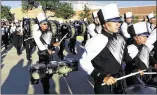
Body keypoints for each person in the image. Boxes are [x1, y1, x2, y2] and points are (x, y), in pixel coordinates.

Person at [79, 3, 144, 94]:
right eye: (114, 21)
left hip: (119, 81)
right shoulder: (97, 40)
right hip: (104, 85)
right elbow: (84, 61)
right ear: (104, 24)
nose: (118, 24)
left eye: (119, 21)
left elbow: (125, 57)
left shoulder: (120, 38)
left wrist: (137, 67)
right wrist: (103, 77)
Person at [33, 12, 60, 94]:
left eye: (47, 24)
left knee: (50, 73)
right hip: (43, 56)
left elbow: (50, 44)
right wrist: (47, 50)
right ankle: (46, 91)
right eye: (44, 24)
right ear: (40, 24)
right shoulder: (37, 33)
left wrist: (54, 45)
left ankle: (42, 78)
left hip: (50, 56)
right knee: (45, 77)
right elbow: (40, 45)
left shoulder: (49, 33)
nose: (46, 25)